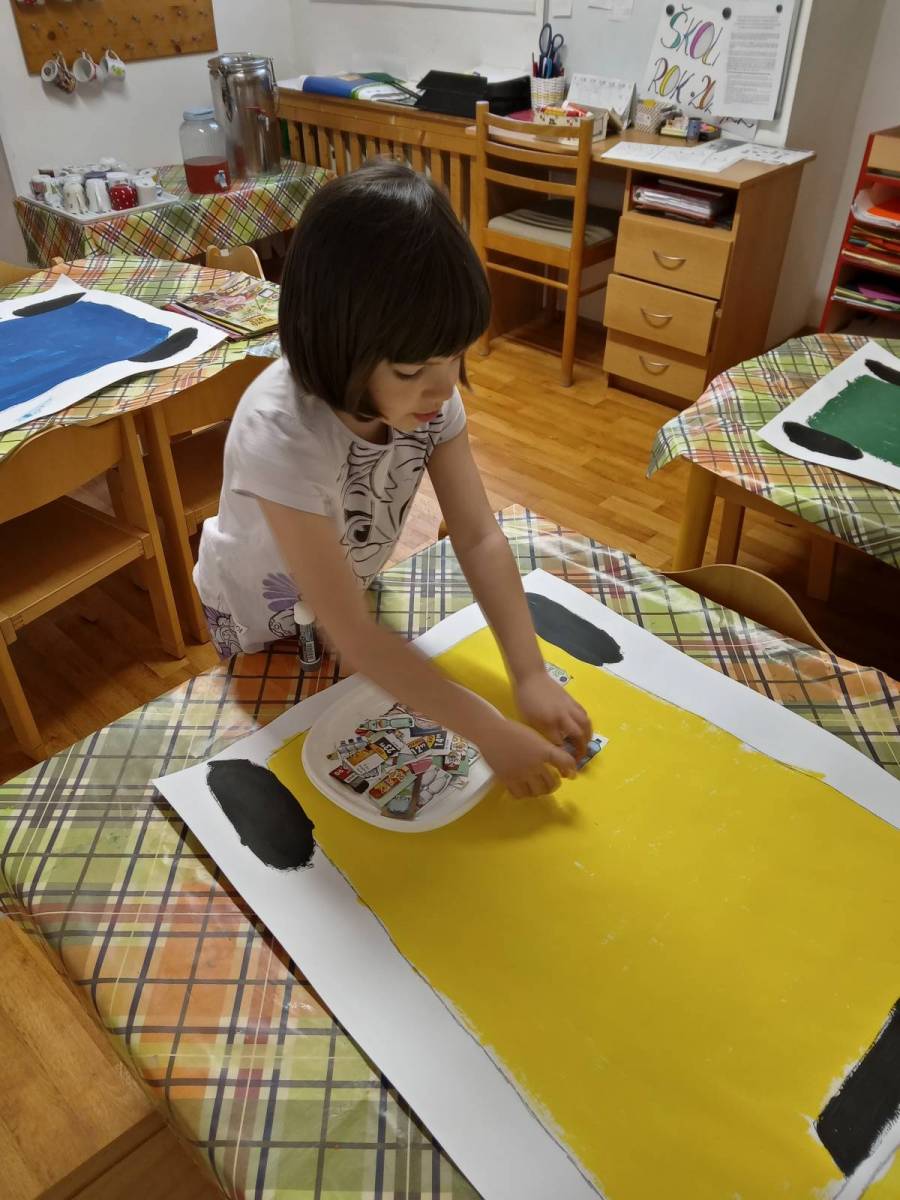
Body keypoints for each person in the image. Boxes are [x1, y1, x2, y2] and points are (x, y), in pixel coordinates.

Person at [195, 160, 591, 798]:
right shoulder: (280, 432)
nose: (442, 387)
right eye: (411, 371)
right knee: (284, 754)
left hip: (347, 592)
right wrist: (485, 728)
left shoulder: (429, 404)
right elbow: (351, 632)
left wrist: (529, 673)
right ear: (335, 345)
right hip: (259, 621)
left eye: (455, 356)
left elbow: (479, 537)